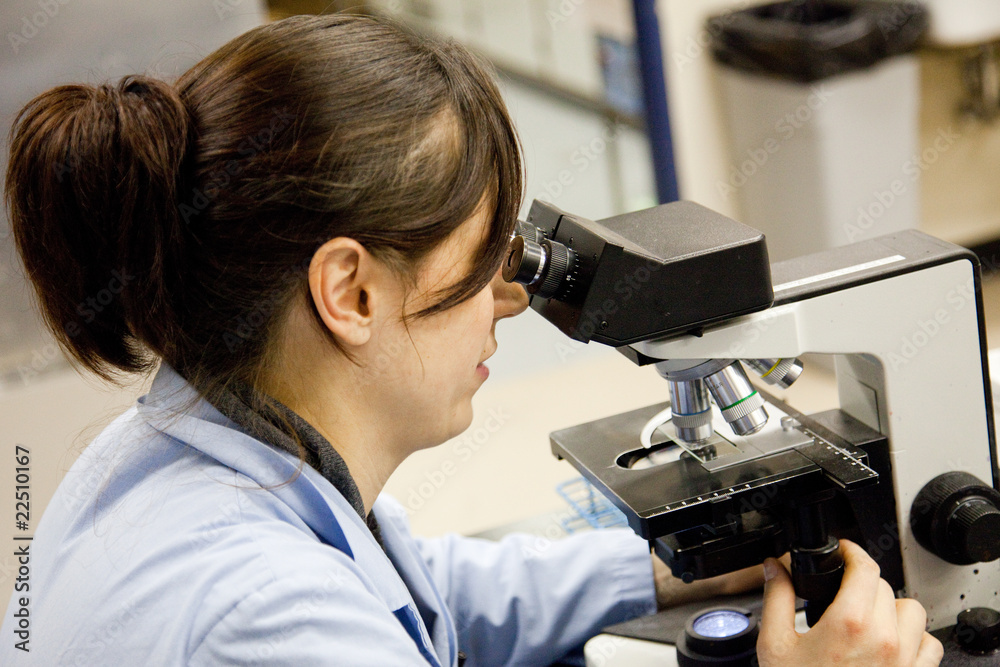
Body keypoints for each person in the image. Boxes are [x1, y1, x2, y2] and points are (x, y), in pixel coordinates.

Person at [0, 13, 941, 667]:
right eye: (485, 254)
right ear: (351, 292)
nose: (513, 296)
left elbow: (427, 587)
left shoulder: (186, 445)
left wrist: (669, 564)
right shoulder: (270, 619)